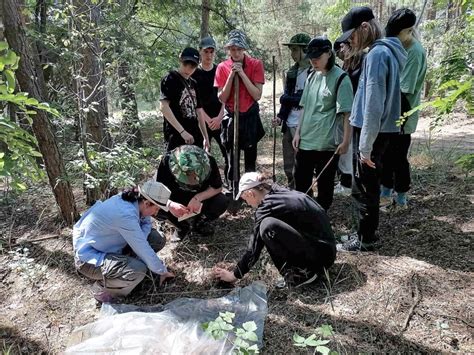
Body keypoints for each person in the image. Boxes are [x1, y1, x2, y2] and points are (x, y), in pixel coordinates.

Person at [335, 6, 407, 252]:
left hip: (371, 132)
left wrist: (365, 146)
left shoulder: (377, 55)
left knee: (364, 187)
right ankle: (363, 231)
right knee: (367, 184)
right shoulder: (383, 52)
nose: (351, 42)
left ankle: (365, 238)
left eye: (351, 36)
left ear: (364, 28)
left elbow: (374, 103)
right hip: (376, 131)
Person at [213, 172, 336, 288]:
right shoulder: (278, 191)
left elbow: (254, 248)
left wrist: (234, 275)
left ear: (251, 193)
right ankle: (305, 269)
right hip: (327, 249)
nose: (247, 203)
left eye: (245, 199)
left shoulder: (267, 206)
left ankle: (303, 275)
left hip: (320, 257)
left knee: (267, 227)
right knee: (270, 225)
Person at [73, 181, 175, 303]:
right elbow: (142, 247)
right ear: (147, 203)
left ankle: (127, 265)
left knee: (157, 238)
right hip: (89, 260)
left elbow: (146, 224)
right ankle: (103, 290)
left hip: (108, 245)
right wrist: (162, 271)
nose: (156, 213)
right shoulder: (125, 214)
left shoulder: (137, 201)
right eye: (156, 209)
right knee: (137, 270)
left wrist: (138, 246)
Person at [292, 36, 353, 211]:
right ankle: (305, 214)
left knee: (325, 186)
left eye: (317, 57)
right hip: (306, 140)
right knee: (301, 182)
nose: (313, 61)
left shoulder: (341, 78)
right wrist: (297, 133)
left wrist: (346, 141)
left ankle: (321, 216)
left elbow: (347, 114)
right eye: (311, 58)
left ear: (329, 53)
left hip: (327, 143)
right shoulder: (312, 75)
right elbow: (304, 106)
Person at [380, 8, 427, 210]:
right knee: (386, 155)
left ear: (408, 31)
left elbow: (404, 89)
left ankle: (401, 198)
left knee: (398, 157)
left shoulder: (414, 51)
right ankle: (385, 192)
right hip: (390, 111)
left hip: (403, 113)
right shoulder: (398, 48)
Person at [215, 29, 265, 192]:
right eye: (232, 49)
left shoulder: (255, 64)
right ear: (228, 50)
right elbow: (222, 97)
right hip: (231, 116)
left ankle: (250, 189)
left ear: (244, 49)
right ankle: (234, 189)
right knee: (231, 158)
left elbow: (257, 95)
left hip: (249, 115)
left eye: (238, 49)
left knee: (250, 158)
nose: (235, 53)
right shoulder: (222, 67)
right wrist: (231, 75)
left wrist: (242, 74)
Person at [155, 145, 229, 240]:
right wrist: (170, 204)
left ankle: (200, 222)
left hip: (200, 199)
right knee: (155, 206)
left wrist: (198, 198)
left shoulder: (209, 160)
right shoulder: (166, 162)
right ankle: (181, 227)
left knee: (221, 202)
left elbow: (217, 187)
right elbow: (157, 192)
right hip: (175, 199)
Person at [273, 33, 312, 189]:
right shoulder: (292, 72)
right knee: (289, 165)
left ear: (305, 50)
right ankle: (291, 194)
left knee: (302, 166)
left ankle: (304, 196)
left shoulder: (314, 73)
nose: (292, 54)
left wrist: (287, 98)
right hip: (289, 123)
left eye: (295, 50)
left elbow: (306, 100)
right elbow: (288, 100)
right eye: (291, 50)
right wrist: (280, 117)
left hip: (305, 125)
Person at [192, 36, 229, 185]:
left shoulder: (221, 70)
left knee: (227, 154)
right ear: (200, 52)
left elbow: (226, 96)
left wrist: (220, 117)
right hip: (202, 120)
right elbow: (194, 101)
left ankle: (229, 183)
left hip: (221, 119)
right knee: (201, 154)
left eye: (211, 51)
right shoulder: (194, 73)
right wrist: (207, 119)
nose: (208, 55)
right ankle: (203, 185)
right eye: (205, 51)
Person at [160, 47, 210, 152]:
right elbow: (164, 107)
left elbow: (199, 111)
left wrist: (205, 137)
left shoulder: (194, 83)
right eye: (185, 64)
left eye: (193, 66)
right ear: (180, 60)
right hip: (176, 137)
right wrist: (182, 132)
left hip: (195, 136)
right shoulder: (170, 79)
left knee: (197, 167)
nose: (188, 69)